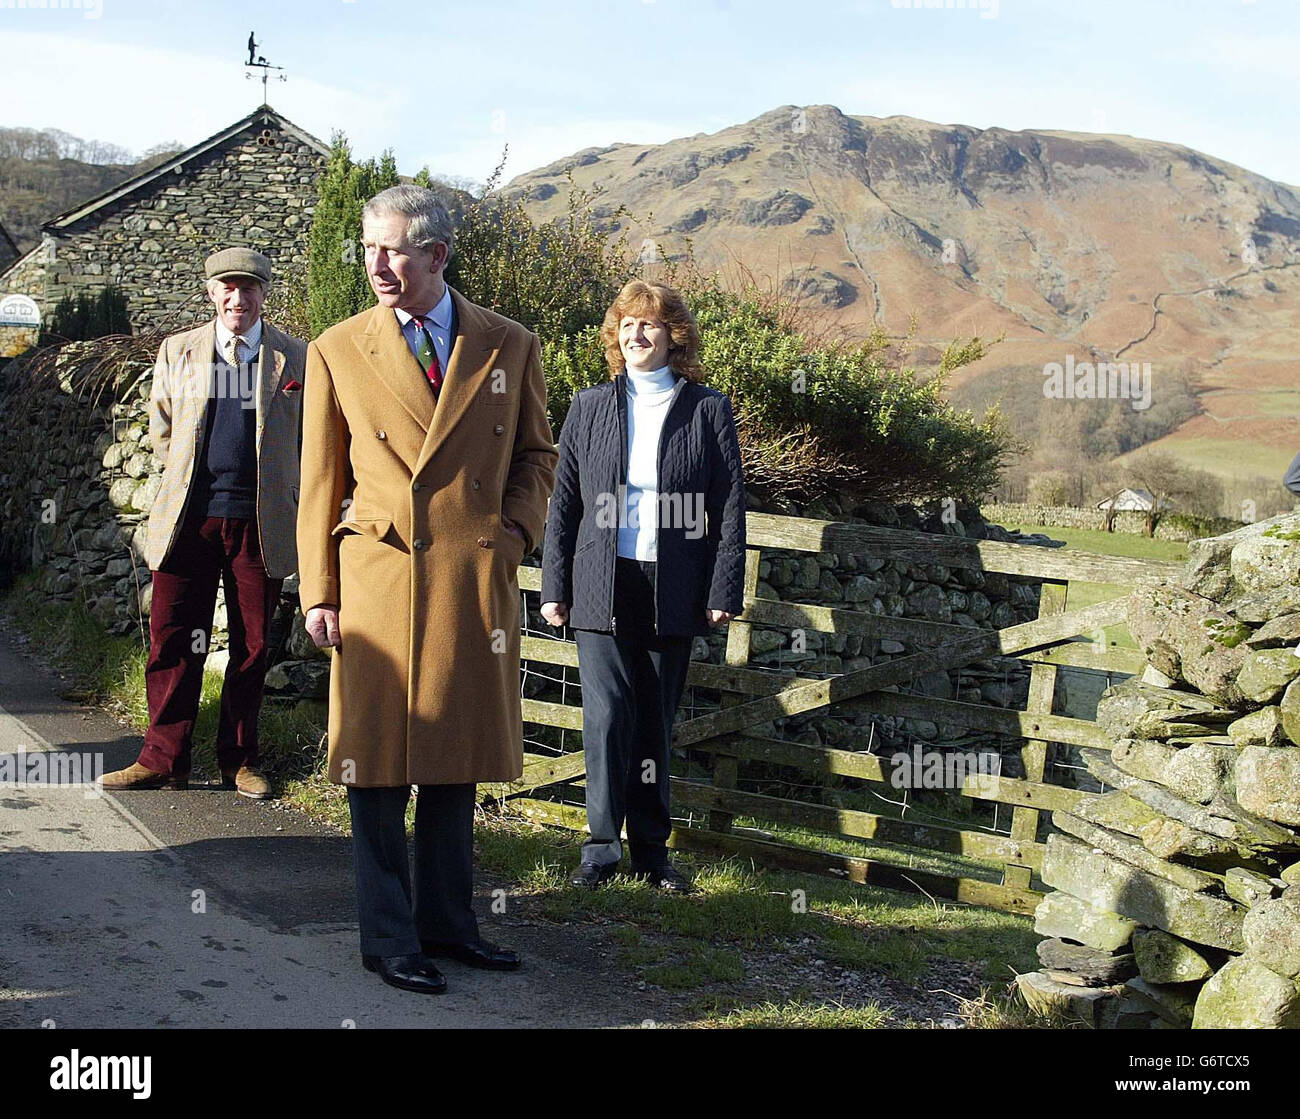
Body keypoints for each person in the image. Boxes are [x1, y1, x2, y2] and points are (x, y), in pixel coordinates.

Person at [297, 185, 556, 994]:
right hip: (377, 575)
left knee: (455, 759)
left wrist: (512, 535)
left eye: (394, 250)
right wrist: (318, 590)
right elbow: (319, 481)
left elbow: (538, 456)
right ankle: (386, 937)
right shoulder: (338, 347)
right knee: (374, 766)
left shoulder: (508, 343)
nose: (375, 264)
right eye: (368, 248)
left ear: (438, 255)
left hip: (469, 575)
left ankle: (449, 924)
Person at [540, 280, 746, 892]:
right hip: (602, 581)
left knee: (655, 722)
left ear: (673, 336)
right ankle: (600, 849)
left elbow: (729, 506)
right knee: (605, 718)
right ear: (615, 335)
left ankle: (653, 853)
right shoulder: (588, 407)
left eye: (650, 324)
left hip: (674, 584)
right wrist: (556, 583)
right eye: (627, 324)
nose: (637, 334)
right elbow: (565, 503)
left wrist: (721, 589)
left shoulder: (708, 409)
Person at [103, 248, 304, 799]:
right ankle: (162, 758)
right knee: (171, 637)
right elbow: (164, 430)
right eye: (228, 288)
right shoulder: (179, 350)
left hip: (259, 523)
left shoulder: (297, 357)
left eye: (250, 288)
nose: (239, 298)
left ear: (266, 293)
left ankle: (239, 761)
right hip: (189, 520)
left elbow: (309, 441)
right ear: (212, 293)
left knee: (254, 645)